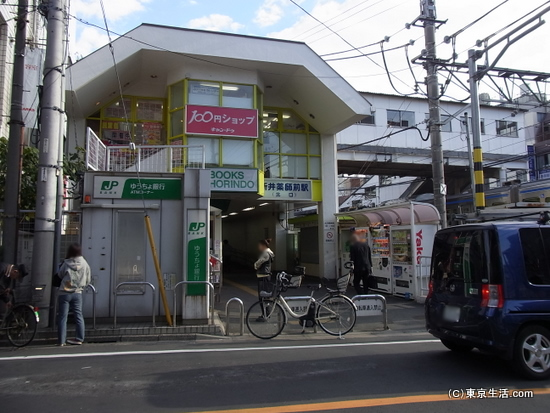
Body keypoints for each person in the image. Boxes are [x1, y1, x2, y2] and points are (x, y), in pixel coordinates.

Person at [56, 243, 91, 346]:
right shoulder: (84, 263)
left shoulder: (66, 263)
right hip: (77, 293)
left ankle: (61, 341)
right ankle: (79, 338)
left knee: (63, 317)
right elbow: (88, 279)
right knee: (79, 315)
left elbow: (59, 275)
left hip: (64, 293)